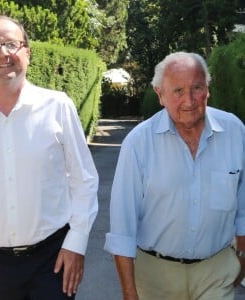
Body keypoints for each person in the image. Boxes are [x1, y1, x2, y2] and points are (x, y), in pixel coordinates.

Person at [0, 15, 98, 300]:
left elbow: (84, 180)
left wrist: (76, 243)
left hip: (54, 257)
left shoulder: (58, 107)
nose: (3, 53)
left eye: (12, 44)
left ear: (26, 53)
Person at [104, 51, 245, 299]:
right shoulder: (138, 143)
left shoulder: (235, 131)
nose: (189, 100)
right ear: (160, 95)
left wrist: (242, 261)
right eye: (178, 91)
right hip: (156, 278)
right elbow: (122, 227)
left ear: (208, 89)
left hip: (216, 272)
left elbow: (243, 207)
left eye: (197, 88)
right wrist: (129, 292)